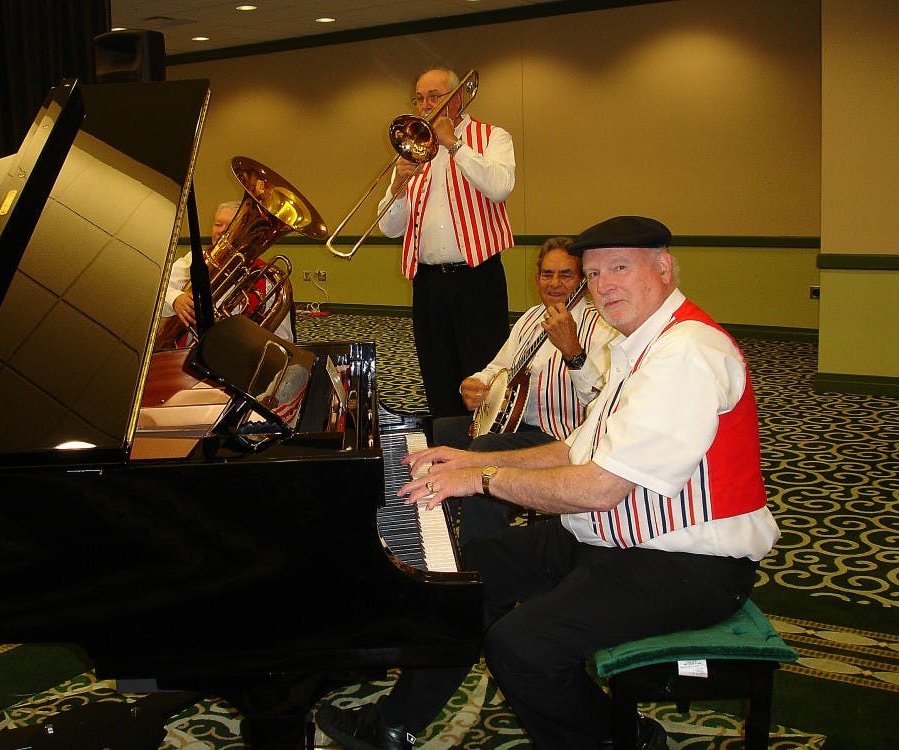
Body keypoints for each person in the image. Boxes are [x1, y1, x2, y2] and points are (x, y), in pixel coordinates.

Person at [316, 215, 781, 750]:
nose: (604, 284)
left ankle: (618, 738)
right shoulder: (639, 345)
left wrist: (483, 478)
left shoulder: (687, 354)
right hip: (615, 537)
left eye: (620, 268)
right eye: (595, 273)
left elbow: (601, 487)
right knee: (466, 579)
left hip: (689, 563)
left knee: (522, 646)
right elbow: (575, 446)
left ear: (664, 268)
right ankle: (394, 725)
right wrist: (466, 458)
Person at [433, 236, 617, 545]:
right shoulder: (531, 318)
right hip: (518, 424)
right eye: (547, 274)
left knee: (483, 452)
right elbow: (498, 368)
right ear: (537, 278)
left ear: (584, 281)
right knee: (440, 431)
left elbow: (602, 402)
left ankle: (484, 556)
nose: (554, 283)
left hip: (564, 437)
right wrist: (476, 383)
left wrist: (574, 352)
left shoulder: (601, 327)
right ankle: (440, 525)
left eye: (566, 274)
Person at [377, 67, 516, 418]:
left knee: (482, 373)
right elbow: (388, 227)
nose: (425, 105)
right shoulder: (412, 148)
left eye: (434, 97)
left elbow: (500, 187)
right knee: (436, 371)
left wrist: (454, 144)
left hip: (477, 277)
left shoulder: (492, 136)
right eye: (420, 98)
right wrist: (398, 187)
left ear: (456, 98)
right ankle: (445, 448)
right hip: (428, 281)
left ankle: (482, 450)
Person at [163, 200, 295, 343]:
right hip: (183, 357)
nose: (222, 230)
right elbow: (158, 290)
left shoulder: (266, 277)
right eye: (218, 224)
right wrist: (175, 299)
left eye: (231, 226)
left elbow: (283, 338)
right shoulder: (192, 261)